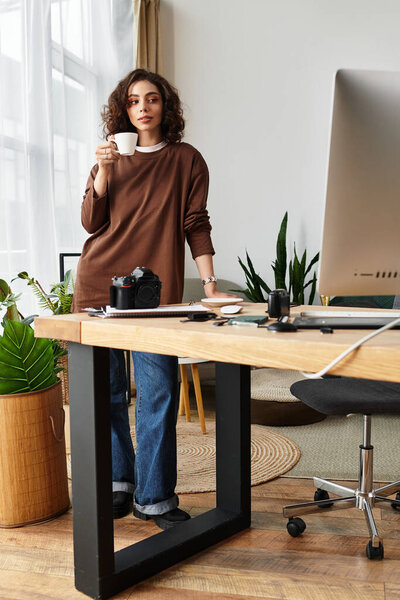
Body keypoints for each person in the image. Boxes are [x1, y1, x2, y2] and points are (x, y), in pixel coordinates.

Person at [71, 69, 233, 530]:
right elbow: (89, 221)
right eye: (133, 101)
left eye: (153, 98)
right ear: (123, 110)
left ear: (166, 107)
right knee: (108, 393)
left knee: (159, 393)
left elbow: (195, 223)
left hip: (156, 295)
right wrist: (102, 170)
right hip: (98, 282)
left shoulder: (187, 159)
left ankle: (155, 497)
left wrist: (210, 285)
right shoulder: (109, 158)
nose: (143, 107)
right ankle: (119, 484)